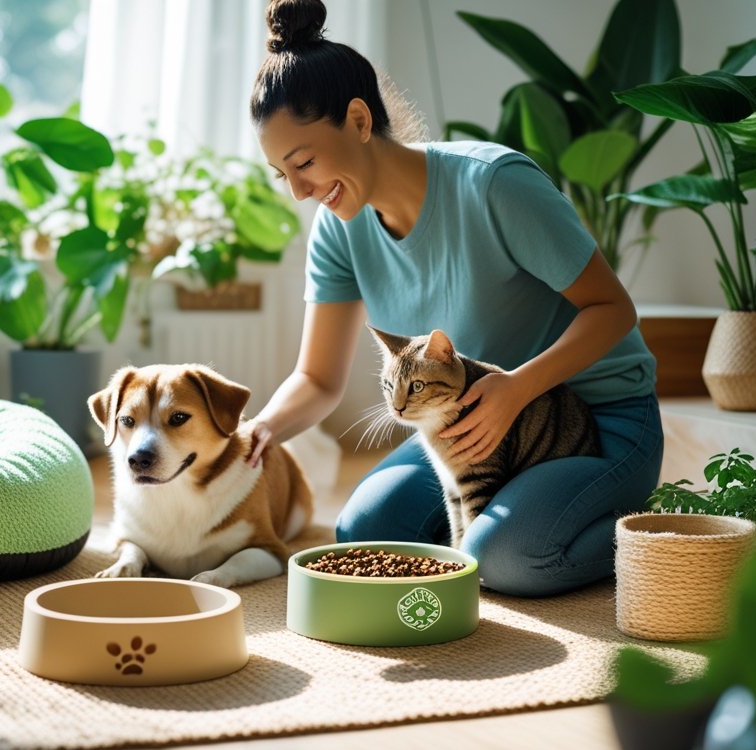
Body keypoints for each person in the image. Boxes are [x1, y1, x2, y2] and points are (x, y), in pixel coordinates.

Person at [244, 0, 663, 597]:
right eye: (280, 174)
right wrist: (259, 432)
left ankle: (655, 538)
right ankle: (519, 517)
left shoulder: (494, 186)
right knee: (364, 531)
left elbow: (613, 310)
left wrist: (517, 387)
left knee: (504, 560)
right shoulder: (339, 226)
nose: (299, 191)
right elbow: (317, 378)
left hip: (595, 421)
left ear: (360, 121)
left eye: (304, 162)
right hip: (461, 428)